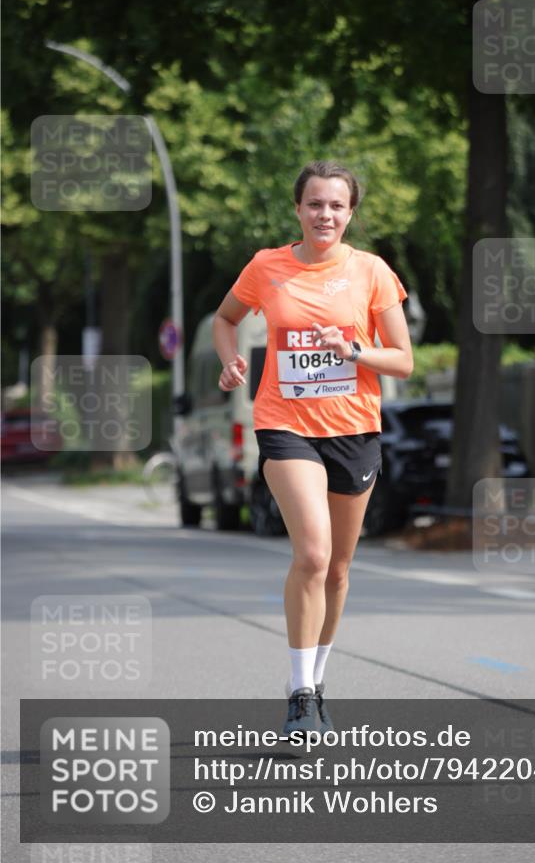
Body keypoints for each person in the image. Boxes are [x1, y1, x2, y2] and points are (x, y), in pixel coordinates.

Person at [212, 160, 413, 738]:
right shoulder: (266, 266)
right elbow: (224, 319)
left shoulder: (372, 271)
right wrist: (230, 359)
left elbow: (401, 358)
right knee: (314, 555)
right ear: (298, 209)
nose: (325, 214)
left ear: (350, 213)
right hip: (286, 423)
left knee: (340, 570)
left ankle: (316, 682)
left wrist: (353, 349)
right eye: (315, 204)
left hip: (353, 429)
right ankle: (300, 696)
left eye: (337, 206)